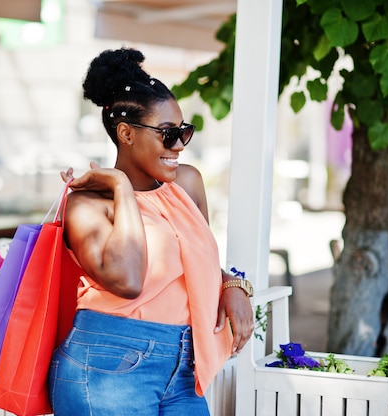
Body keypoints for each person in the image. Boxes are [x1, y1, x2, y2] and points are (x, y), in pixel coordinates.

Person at [48, 47, 254, 416]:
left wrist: (230, 284)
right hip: (107, 364)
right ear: (125, 133)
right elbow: (128, 280)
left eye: (183, 132)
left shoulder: (187, 183)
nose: (178, 145)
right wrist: (120, 186)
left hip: (183, 367)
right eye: (166, 133)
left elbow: (193, 265)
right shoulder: (89, 203)